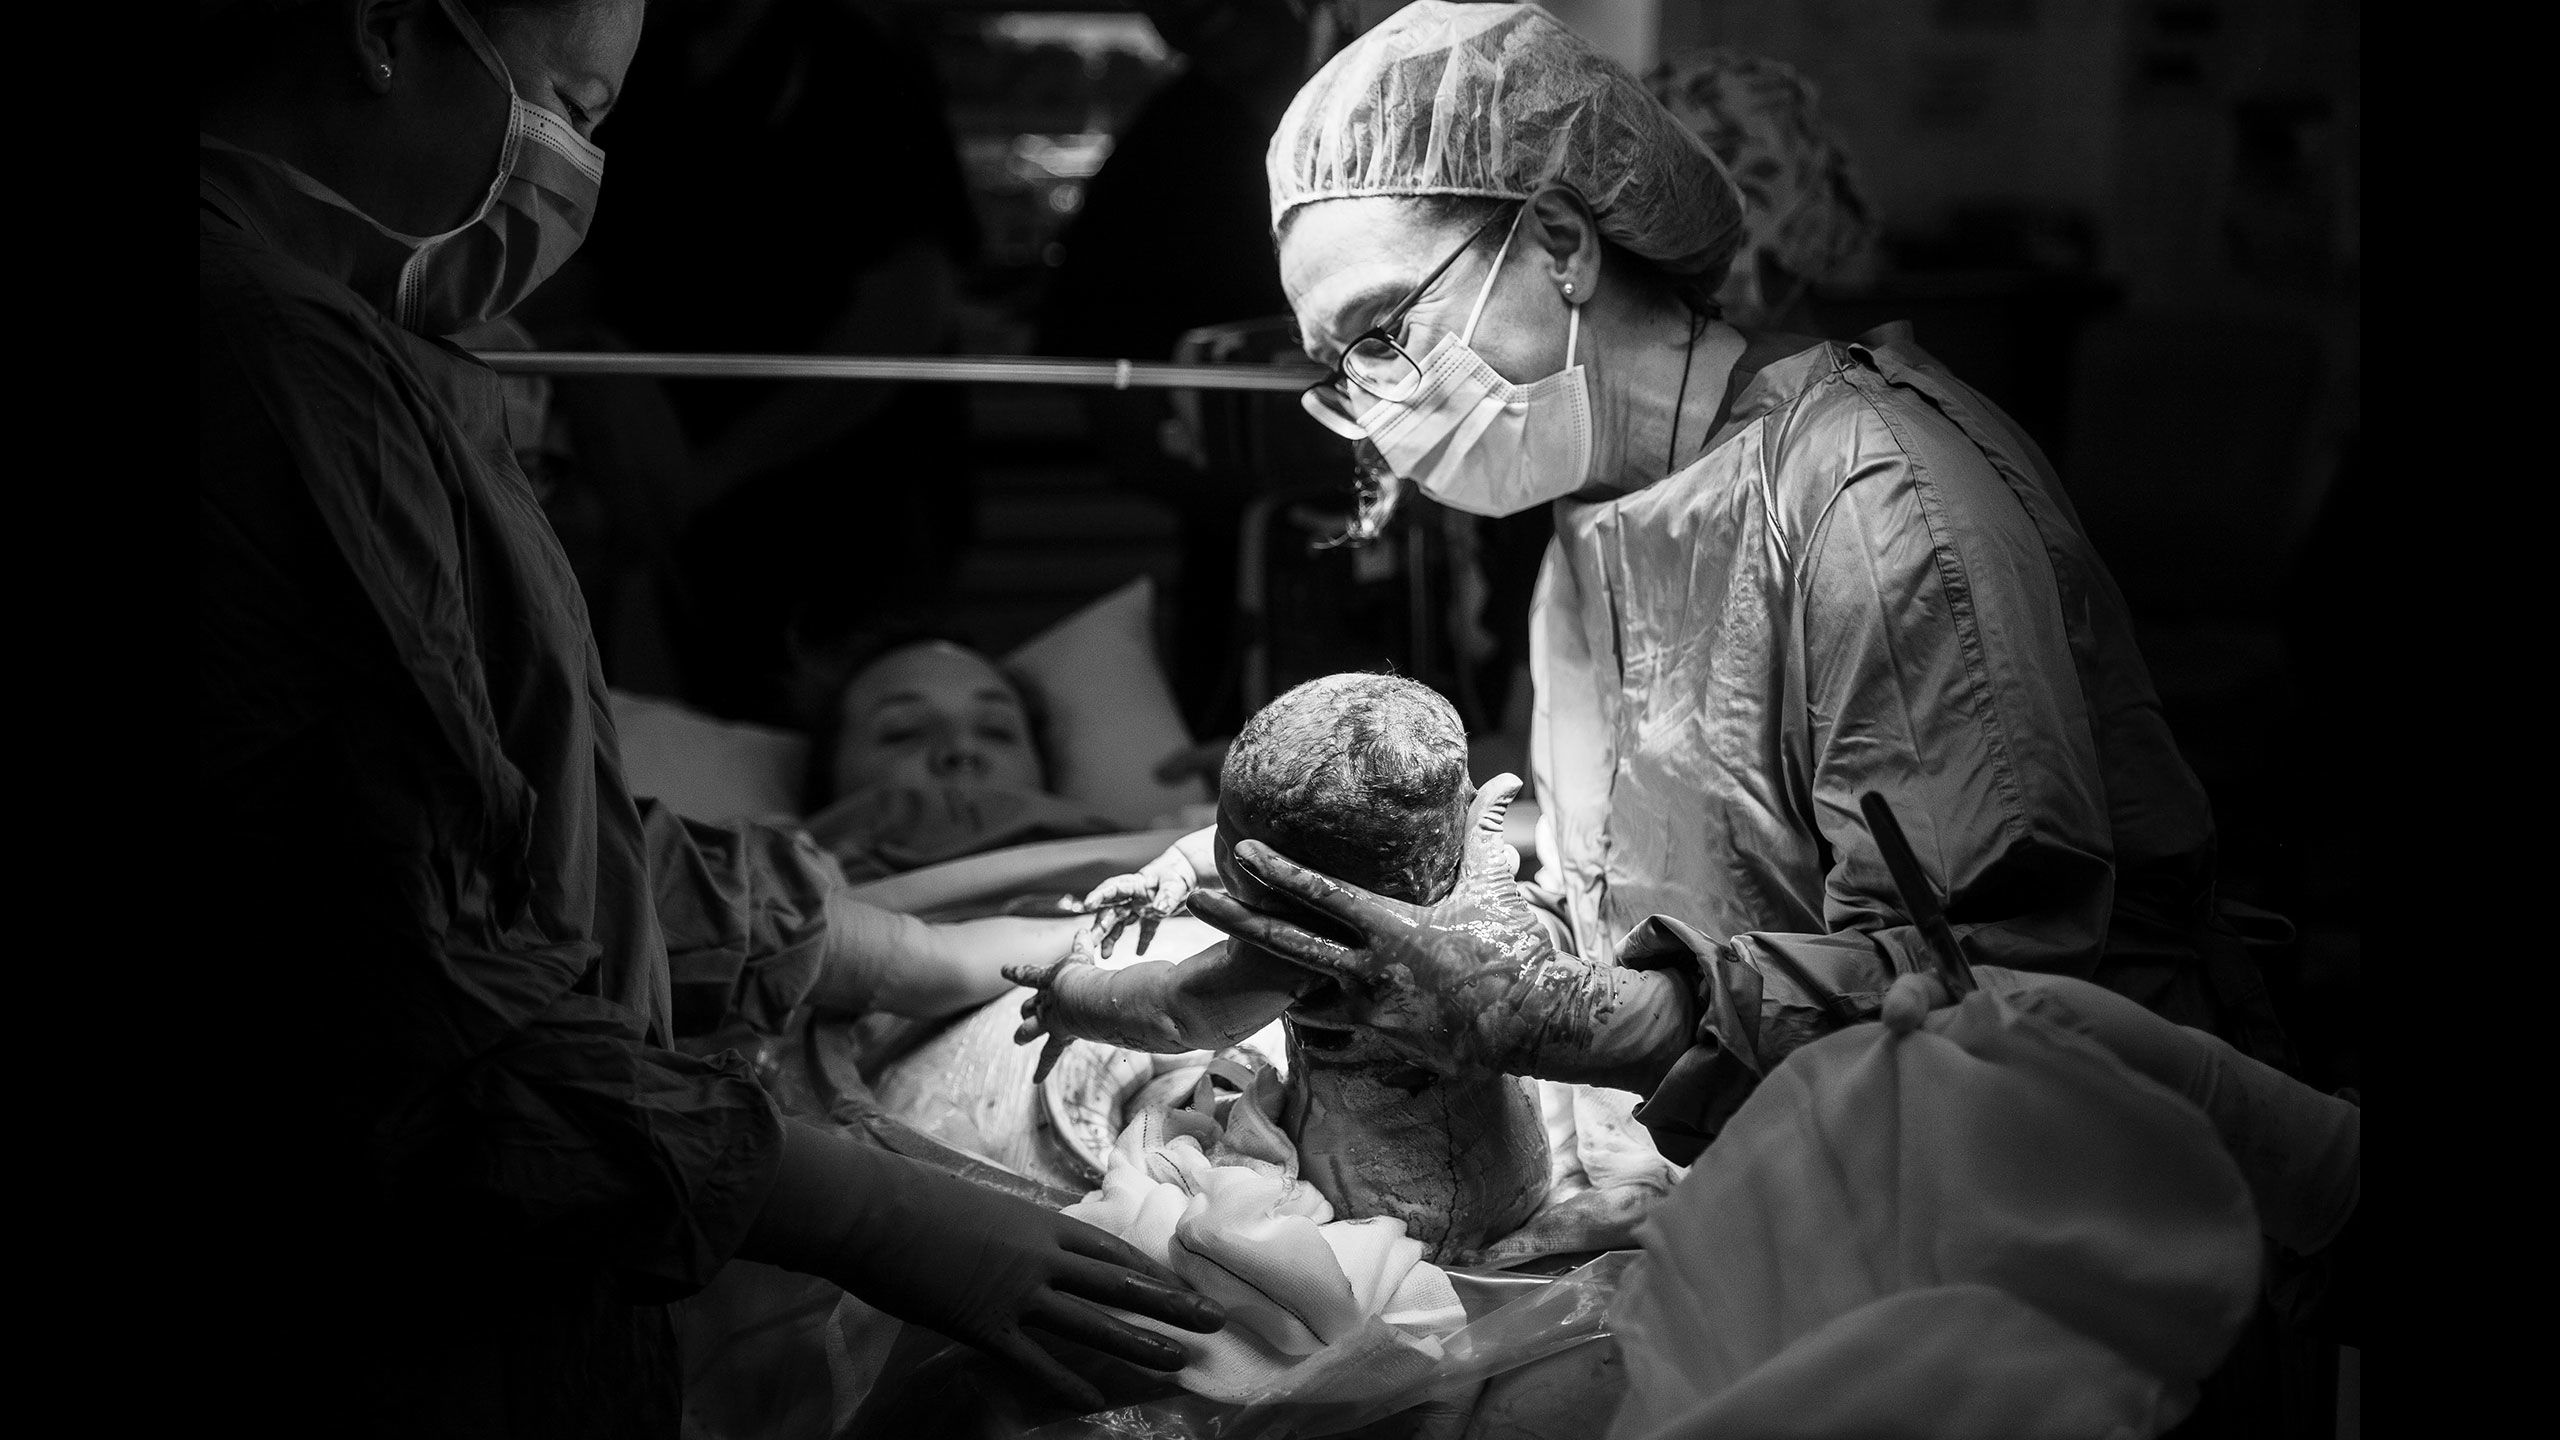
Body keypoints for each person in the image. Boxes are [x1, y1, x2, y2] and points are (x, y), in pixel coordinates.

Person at [197, 3, 1223, 1432]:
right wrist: (869, 1214)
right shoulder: (264, 382)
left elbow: (534, 847)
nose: (572, 169)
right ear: (377, 29)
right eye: (575, 102)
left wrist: (907, 949)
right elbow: (409, 997)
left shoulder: (340, 351)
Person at [1116, 1, 2290, 1166]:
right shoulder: (1599, 505)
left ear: (1564, 246)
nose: (1373, 405)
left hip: (2063, 1210)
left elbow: (1989, 993)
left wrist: (1565, 1017)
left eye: (1383, 332)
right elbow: (1640, 833)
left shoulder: (1876, 500)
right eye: (1339, 371)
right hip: (1768, 1164)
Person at [571, 0, 985, 727]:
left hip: (856, 513)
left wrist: (709, 473)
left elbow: (908, 313)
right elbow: (586, 281)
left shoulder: (854, 59)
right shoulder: (635, 62)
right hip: (679, 521)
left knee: (868, 736)